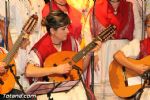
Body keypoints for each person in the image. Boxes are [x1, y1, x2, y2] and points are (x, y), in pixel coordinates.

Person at [25, 10, 101, 100]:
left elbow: (80, 70)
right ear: (52, 30)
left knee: (82, 94)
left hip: (70, 86)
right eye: (63, 29)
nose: (68, 31)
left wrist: (89, 53)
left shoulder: (72, 42)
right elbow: (29, 71)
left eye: (67, 27)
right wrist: (56, 69)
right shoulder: (40, 47)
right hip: (49, 90)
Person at [114, 13, 150, 100]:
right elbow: (117, 55)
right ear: (145, 29)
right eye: (149, 26)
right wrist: (135, 68)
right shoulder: (139, 44)